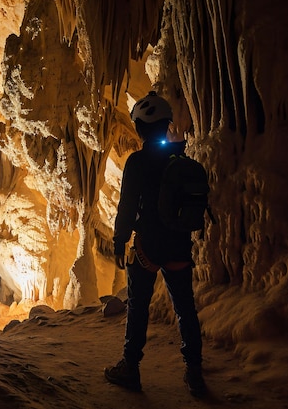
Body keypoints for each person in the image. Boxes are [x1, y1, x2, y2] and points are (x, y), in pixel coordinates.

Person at [104, 91, 207, 397]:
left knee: (138, 307)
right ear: (165, 125)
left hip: (147, 247)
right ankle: (195, 372)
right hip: (178, 246)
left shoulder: (137, 162)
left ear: (140, 128)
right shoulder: (181, 158)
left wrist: (120, 239)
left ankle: (130, 368)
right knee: (185, 309)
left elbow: (126, 207)